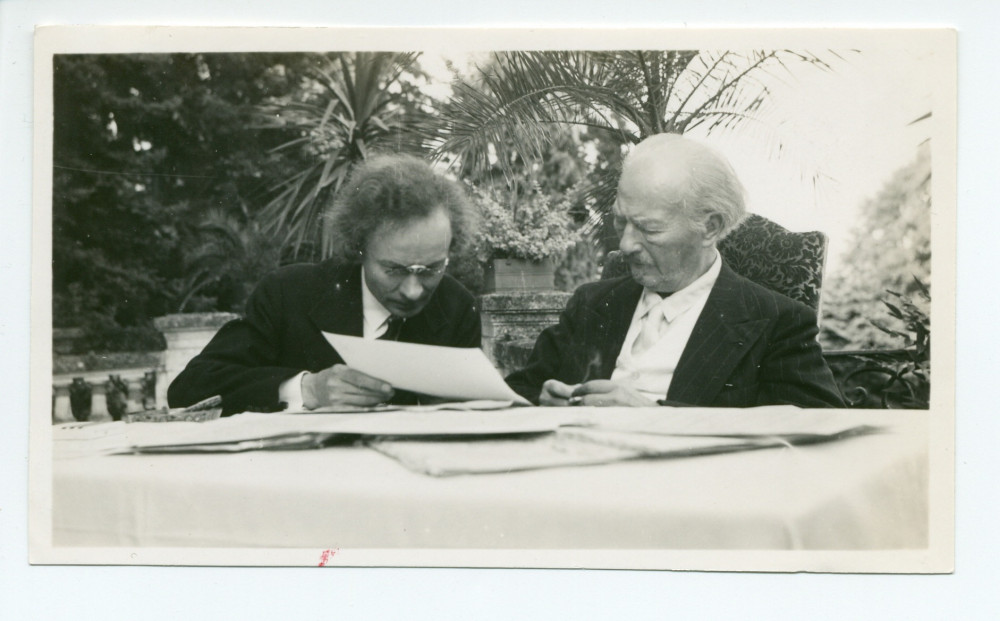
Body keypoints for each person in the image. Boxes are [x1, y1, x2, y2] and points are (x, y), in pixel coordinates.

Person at [505, 134, 845, 408]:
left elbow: (820, 427)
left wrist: (656, 418)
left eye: (649, 230)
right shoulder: (591, 304)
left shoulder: (775, 322)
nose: (625, 245)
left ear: (710, 228)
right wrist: (541, 400)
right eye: (621, 221)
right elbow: (519, 391)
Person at [168, 154, 482, 416]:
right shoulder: (288, 293)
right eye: (394, 270)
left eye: (431, 269)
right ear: (358, 248)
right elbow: (189, 389)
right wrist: (307, 388)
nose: (413, 290)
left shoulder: (457, 308)